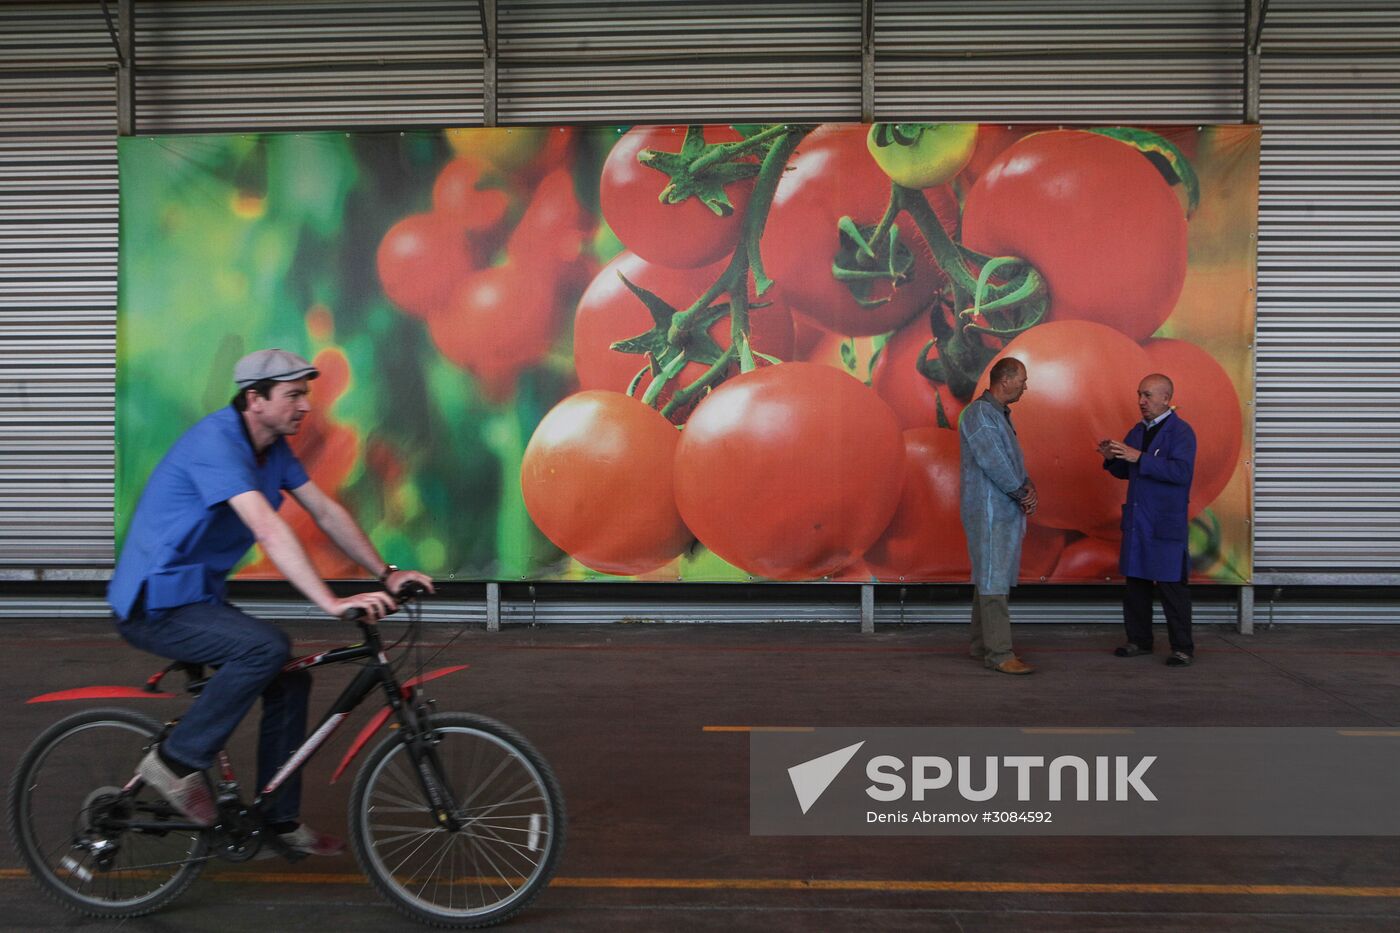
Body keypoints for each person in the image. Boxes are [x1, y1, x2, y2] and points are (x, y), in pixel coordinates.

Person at [107, 348, 435, 855]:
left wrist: (385, 574)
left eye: (306, 394)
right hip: (153, 602)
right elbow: (267, 526)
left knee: (290, 676)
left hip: (195, 598)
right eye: (294, 395)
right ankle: (175, 763)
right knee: (264, 648)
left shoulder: (273, 451)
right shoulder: (217, 443)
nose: (305, 405)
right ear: (255, 400)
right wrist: (330, 602)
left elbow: (325, 512)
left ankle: (277, 821)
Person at [1098, 373, 1196, 667]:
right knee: (1136, 585)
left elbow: (1181, 473)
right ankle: (1139, 640)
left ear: (1166, 398)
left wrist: (1139, 457)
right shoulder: (1138, 431)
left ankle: (1182, 647)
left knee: (1172, 588)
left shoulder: (1181, 432)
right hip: (1139, 521)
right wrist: (1111, 458)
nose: (1141, 401)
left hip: (1165, 522)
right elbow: (1127, 471)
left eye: (1148, 395)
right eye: (1140, 394)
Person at [959, 357, 1038, 675]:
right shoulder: (981, 414)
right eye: (1022, 379)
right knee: (993, 580)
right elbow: (994, 461)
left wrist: (1026, 486)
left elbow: (1008, 460)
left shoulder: (994, 414)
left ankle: (981, 645)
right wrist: (1021, 491)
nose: (1025, 385)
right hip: (991, 509)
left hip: (997, 508)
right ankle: (1000, 653)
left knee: (988, 576)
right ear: (1005, 380)